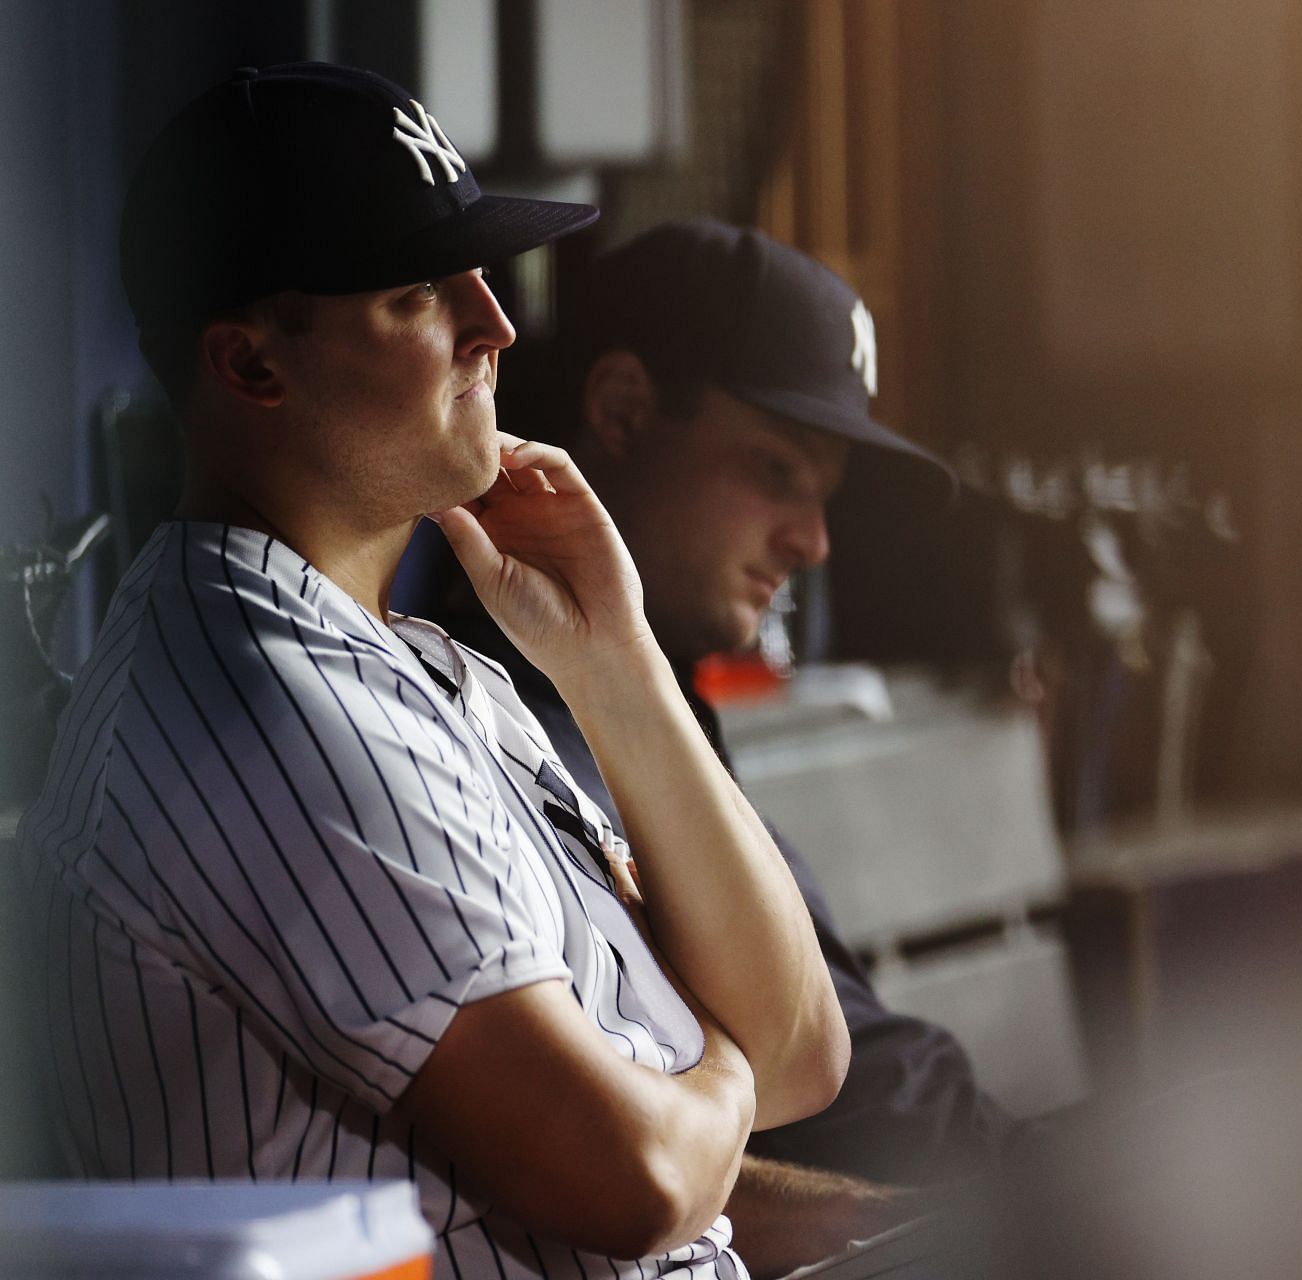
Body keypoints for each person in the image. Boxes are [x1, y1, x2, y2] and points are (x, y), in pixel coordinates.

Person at [21, 65, 847, 1279]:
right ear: (251, 366)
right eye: (419, 291)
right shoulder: (265, 706)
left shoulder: (409, 659)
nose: (495, 321)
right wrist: (722, 1065)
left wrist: (610, 655)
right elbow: (645, 1174)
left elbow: (806, 1050)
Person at [430, 219, 1019, 1276]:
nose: (813, 539)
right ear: (620, 412)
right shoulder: (491, 720)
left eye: (823, 493)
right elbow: (622, 1135)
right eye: (776, 469)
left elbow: (825, 1052)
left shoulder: (649, 691)